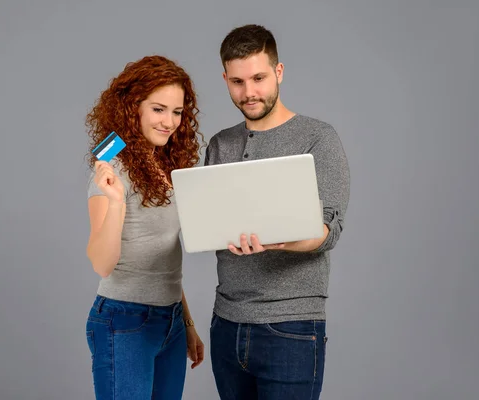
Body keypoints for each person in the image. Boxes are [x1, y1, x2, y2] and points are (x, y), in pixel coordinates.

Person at [205, 25, 351, 399]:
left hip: (292, 326)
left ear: (279, 72)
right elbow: (209, 220)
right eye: (237, 81)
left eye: (258, 78)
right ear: (225, 79)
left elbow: (328, 232)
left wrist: (278, 238)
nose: (248, 92)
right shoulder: (220, 144)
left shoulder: (318, 137)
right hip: (226, 323)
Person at [84, 55, 205, 400]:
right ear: (133, 107)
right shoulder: (112, 172)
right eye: (158, 109)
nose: (169, 122)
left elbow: (163, 255)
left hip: (171, 322)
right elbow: (101, 263)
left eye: (177, 112)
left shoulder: (167, 166)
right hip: (125, 320)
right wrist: (117, 201)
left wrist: (187, 323)